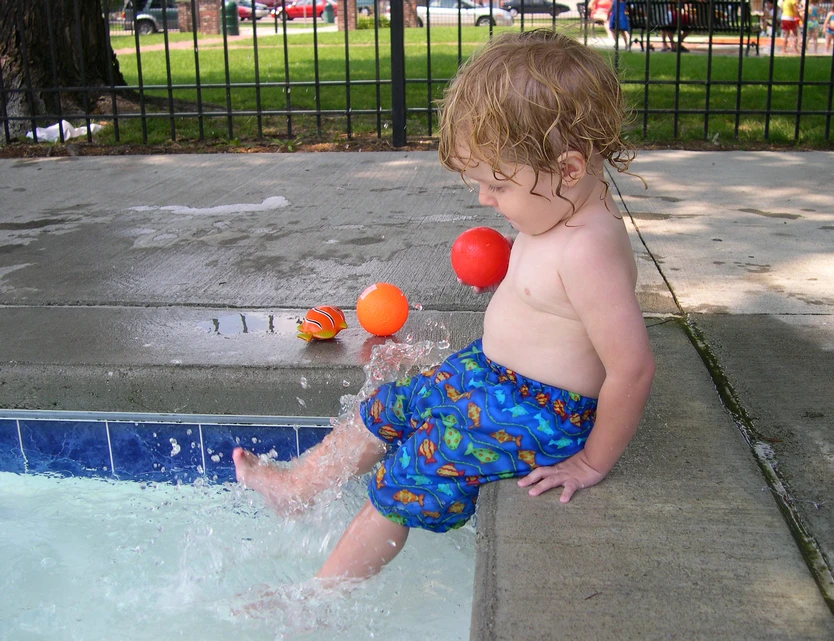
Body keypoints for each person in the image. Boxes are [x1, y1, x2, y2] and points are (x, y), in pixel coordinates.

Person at [233, 29, 656, 585]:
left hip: (536, 413)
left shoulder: (588, 249)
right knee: (393, 405)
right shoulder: (557, 211)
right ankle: (299, 486)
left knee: (412, 467)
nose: (484, 198)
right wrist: (512, 283)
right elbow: (554, 301)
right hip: (493, 374)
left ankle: (317, 599)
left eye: (496, 185)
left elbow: (632, 367)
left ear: (569, 170)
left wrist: (593, 460)